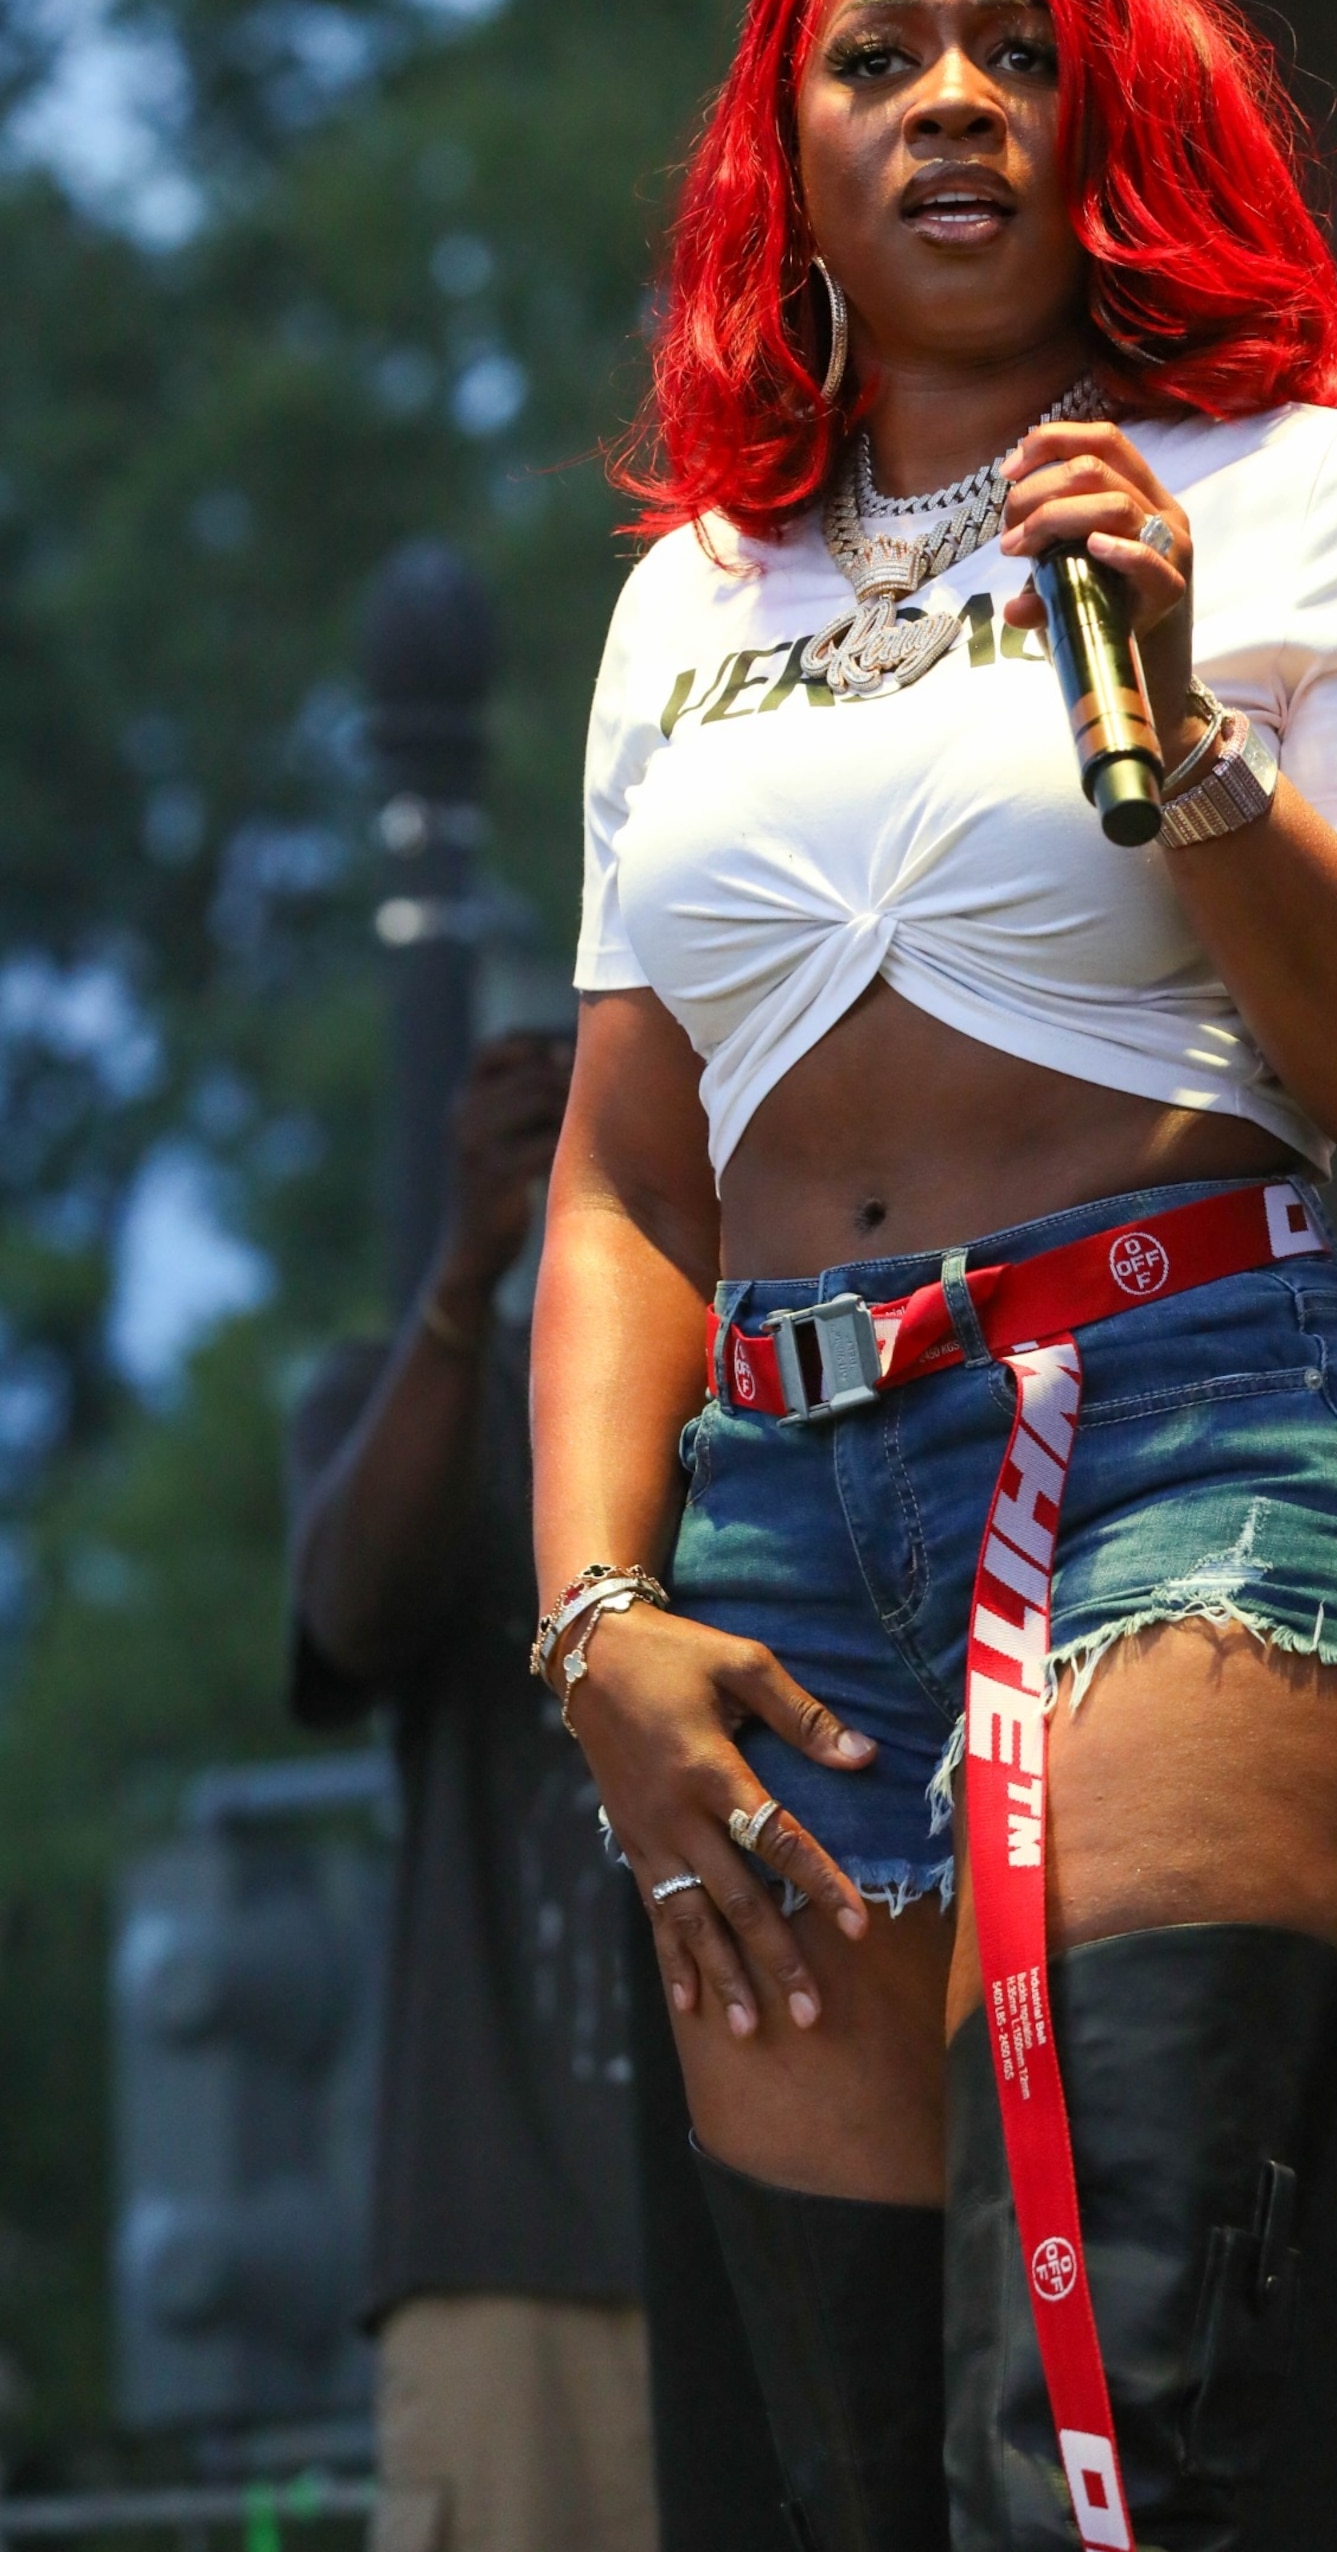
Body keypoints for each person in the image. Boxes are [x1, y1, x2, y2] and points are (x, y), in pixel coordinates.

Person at [531, 0, 1337, 2552]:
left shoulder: (1312, 493)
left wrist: (1193, 741)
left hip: (1184, 1433)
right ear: (796, 168)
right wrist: (598, 1615)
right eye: (884, 59)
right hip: (762, 1533)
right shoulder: (688, 606)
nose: (955, 99)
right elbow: (632, 1176)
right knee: (865, 2495)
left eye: (1018, 50)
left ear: (1106, 123)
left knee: (1086, 2463)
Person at [288, 1031, 662, 2552]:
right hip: (509, 2261)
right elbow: (347, 1614)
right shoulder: (414, 1393)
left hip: (789, 2207)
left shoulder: (798, 1376)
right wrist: (465, 1281)